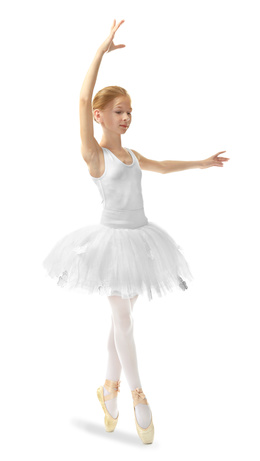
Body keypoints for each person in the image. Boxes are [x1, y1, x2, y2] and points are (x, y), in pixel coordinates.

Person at [42, 19, 230, 444]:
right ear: (99, 116)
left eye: (129, 112)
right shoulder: (95, 154)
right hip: (110, 243)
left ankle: (107, 389)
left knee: (120, 321)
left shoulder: (130, 154)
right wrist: (99, 54)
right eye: (118, 111)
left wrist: (201, 163)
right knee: (123, 319)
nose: (125, 117)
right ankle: (138, 396)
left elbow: (160, 166)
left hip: (142, 238)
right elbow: (80, 97)